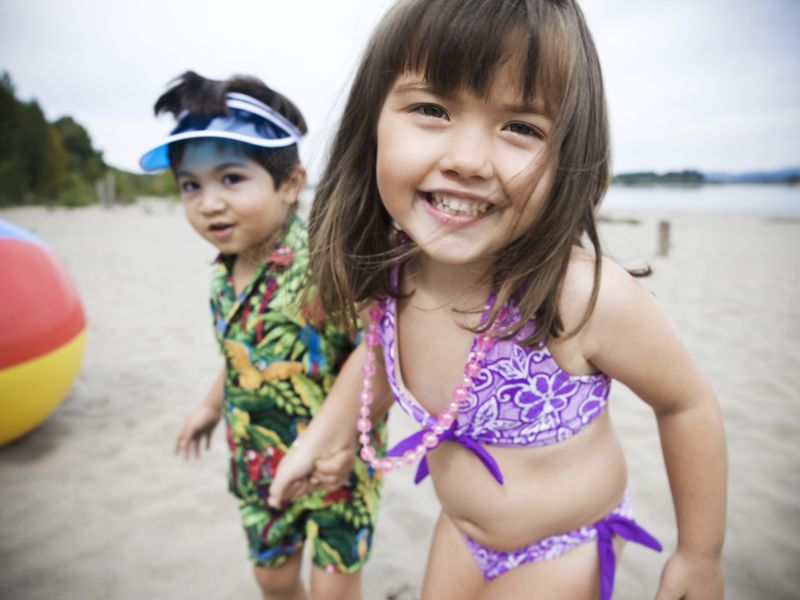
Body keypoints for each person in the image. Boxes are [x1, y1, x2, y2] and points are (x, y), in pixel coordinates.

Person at [267, 1, 728, 599]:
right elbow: (378, 361)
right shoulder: (394, 273)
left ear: (570, 156)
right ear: (370, 124)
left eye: (522, 127)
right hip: (458, 532)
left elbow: (686, 404)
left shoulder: (579, 296)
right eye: (432, 109)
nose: (467, 160)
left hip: (563, 549)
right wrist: (317, 440)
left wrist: (700, 551)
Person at [140, 71, 384, 600]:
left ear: (291, 183)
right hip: (256, 458)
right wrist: (210, 403)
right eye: (191, 186)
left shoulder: (325, 261)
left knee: (334, 590)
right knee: (272, 580)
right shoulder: (221, 272)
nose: (208, 203)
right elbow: (243, 351)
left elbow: (381, 353)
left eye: (231, 179)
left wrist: (347, 442)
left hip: (335, 466)